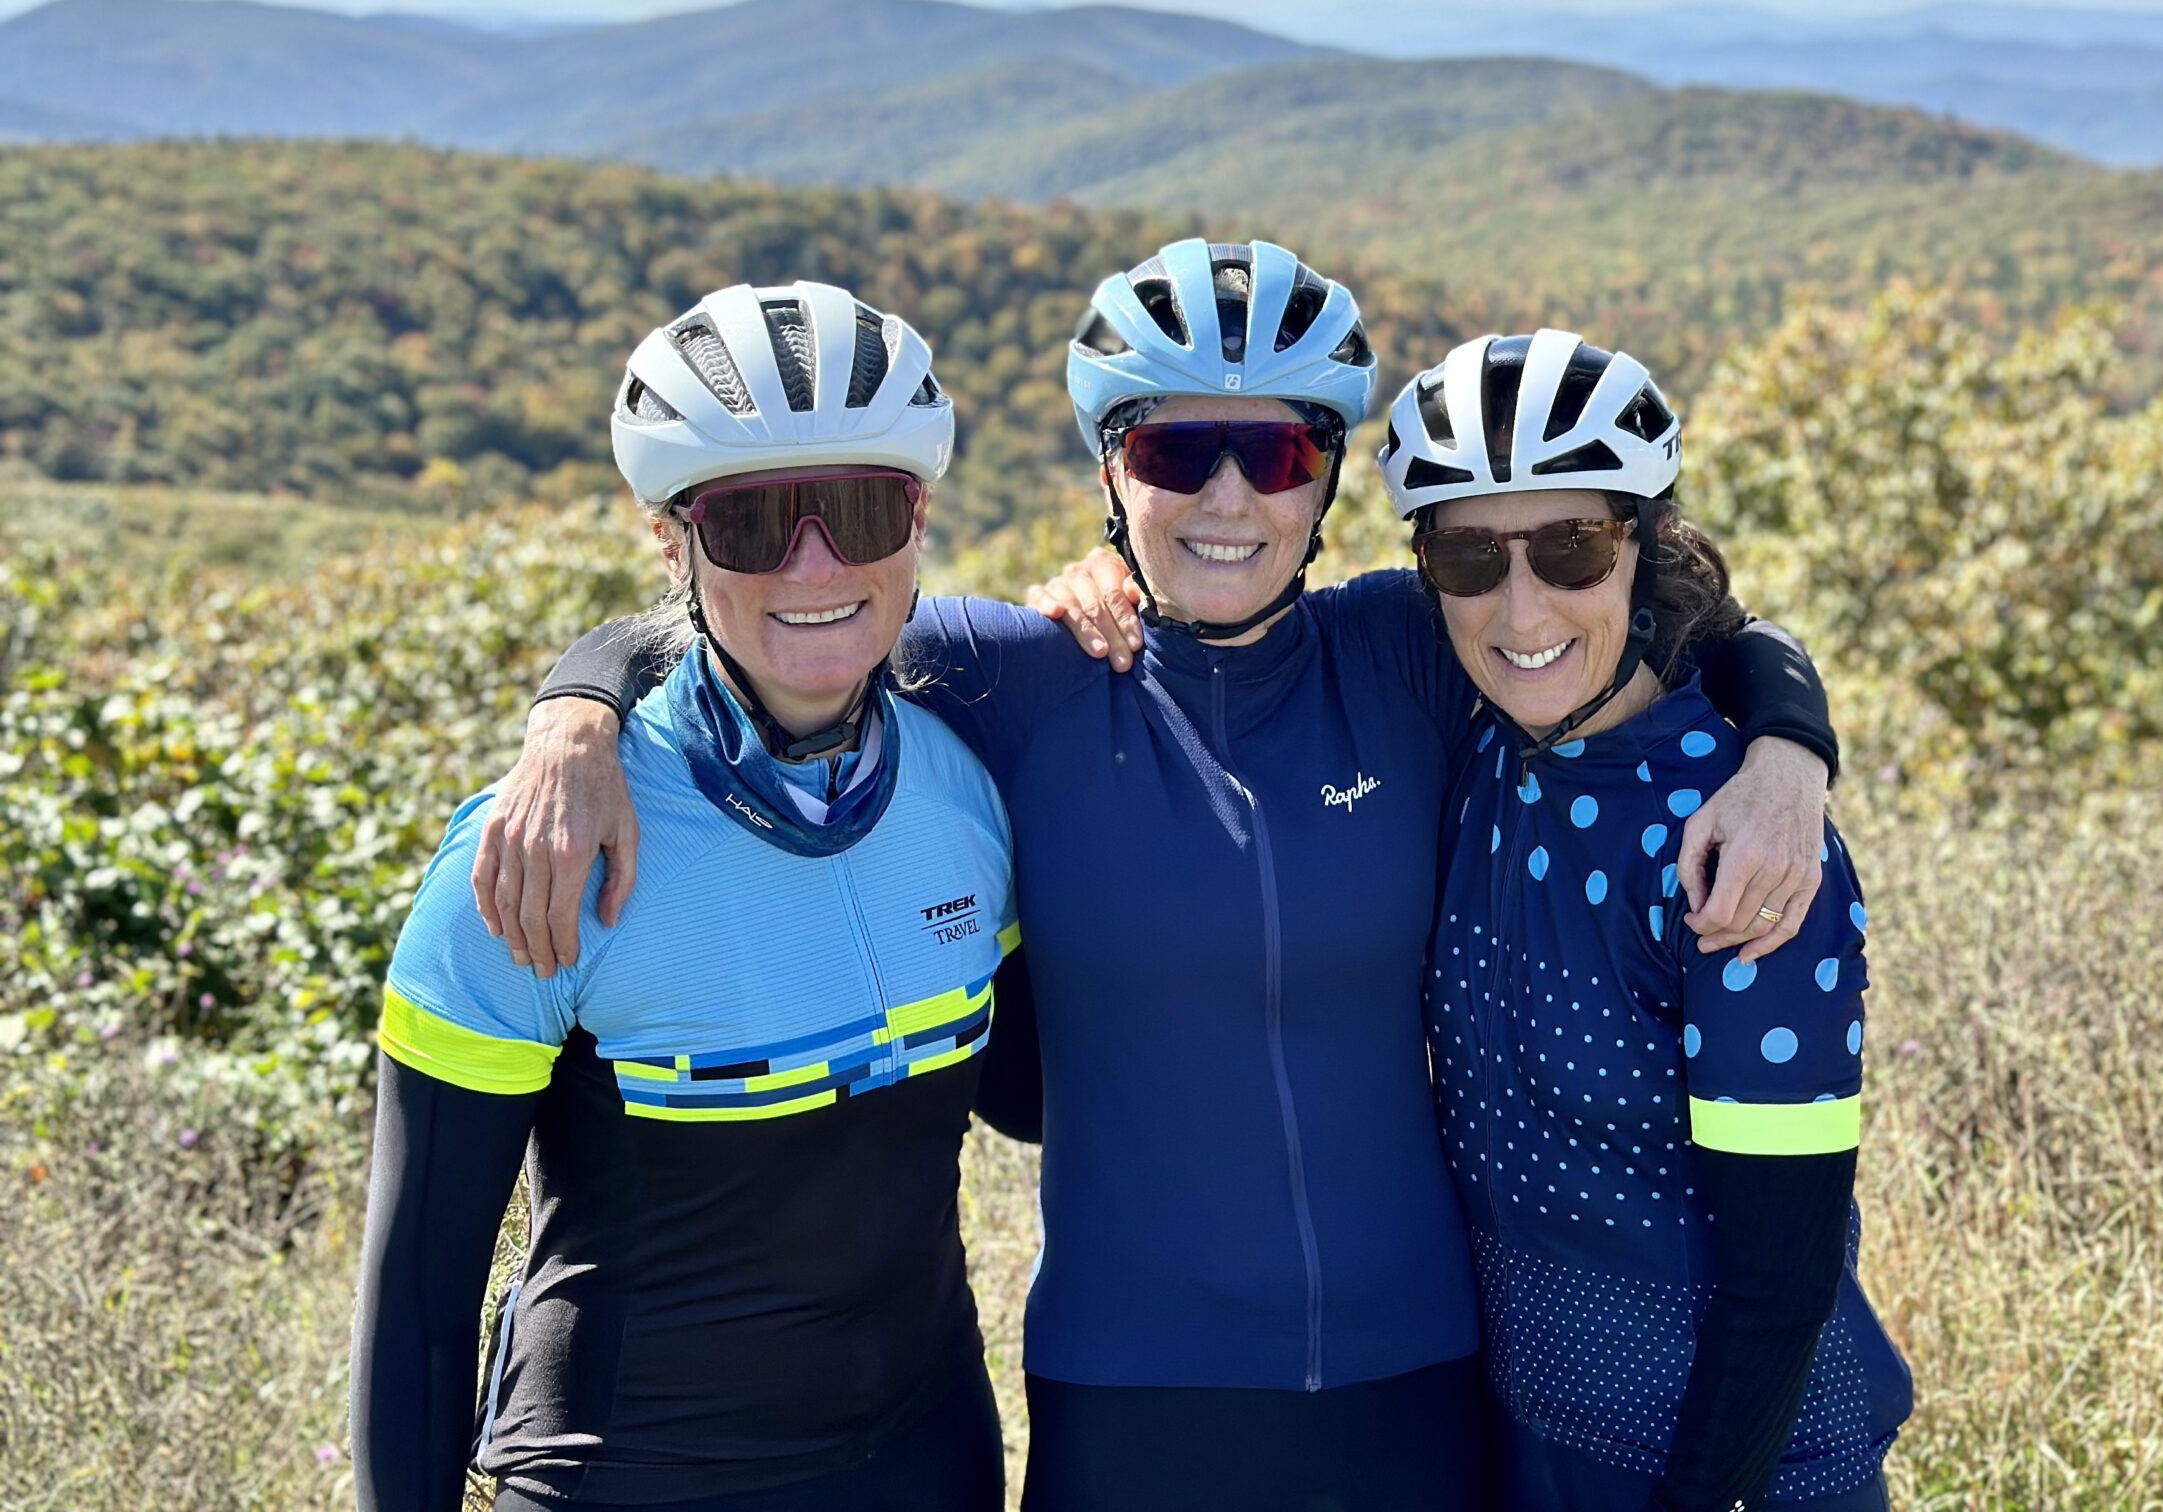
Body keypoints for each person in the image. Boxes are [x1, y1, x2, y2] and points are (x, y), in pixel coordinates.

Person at [482, 241, 1843, 1512]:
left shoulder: (1406, 648)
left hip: (1418, 1375)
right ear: (1112, 469)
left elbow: (1650, 616)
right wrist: (577, 710)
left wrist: (1790, 747)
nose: (1230, 496)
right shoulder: (1009, 675)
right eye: (1179, 448)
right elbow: (783, 617)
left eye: (1282, 448)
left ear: (1327, 477)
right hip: (1129, 1389)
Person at [351, 283, 1019, 1512]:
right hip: (631, 1477)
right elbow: (418, 1305)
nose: (814, 564)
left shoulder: (975, 788)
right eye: (752, 524)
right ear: (674, 544)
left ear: (918, 524)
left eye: (863, 510)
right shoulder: (535, 854)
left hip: (928, 1461)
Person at [1384, 330, 1910, 1512]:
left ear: (1642, 552)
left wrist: (1787, 755)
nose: (1520, 606)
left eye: (1572, 547)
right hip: (1527, 1443)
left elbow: (1782, 1281)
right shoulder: (1476, 743)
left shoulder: (1738, 839)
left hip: (1746, 1468)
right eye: (1469, 558)